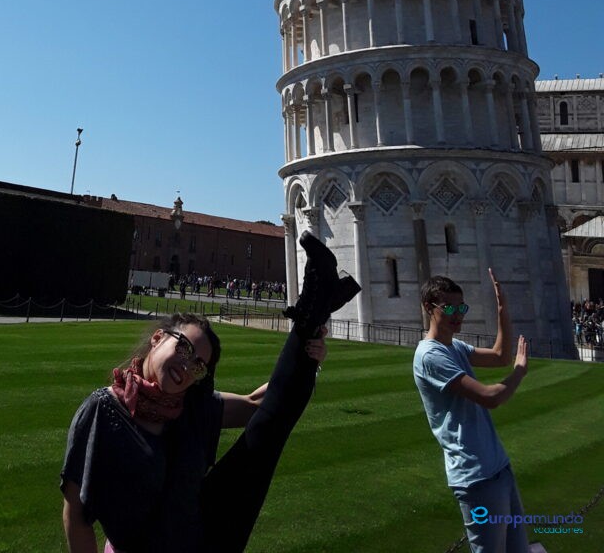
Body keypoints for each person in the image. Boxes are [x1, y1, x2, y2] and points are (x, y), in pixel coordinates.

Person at [61, 232, 360, 553]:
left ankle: (312, 313)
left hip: (197, 537)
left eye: (199, 365)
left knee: (267, 432)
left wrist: (308, 356)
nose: (188, 366)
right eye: (185, 348)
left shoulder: (189, 406)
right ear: (158, 338)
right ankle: (317, 305)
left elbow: (259, 405)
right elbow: (77, 516)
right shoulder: (103, 409)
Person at [413, 270, 530, 553]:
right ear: (430, 308)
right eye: (450, 308)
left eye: (461, 308)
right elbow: (490, 397)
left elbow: (500, 355)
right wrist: (519, 371)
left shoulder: (454, 347)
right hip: (475, 478)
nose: (457, 315)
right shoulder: (430, 356)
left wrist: (502, 307)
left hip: (498, 467)